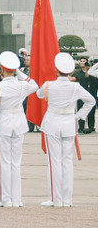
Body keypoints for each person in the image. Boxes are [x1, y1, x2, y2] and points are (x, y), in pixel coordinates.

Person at [36, 52, 95, 207]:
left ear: (56, 70)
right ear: (70, 71)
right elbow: (91, 101)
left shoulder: (49, 85)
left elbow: (39, 94)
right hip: (69, 123)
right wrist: (78, 116)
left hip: (52, 124)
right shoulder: (75, 87)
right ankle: (67, 199)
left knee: (54, 162)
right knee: (67, 162)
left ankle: (56, 199)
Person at [0, 50, 39, 208]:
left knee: (5, 162)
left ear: (2, 69)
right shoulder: (22, 85)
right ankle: (16, 200)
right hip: (18, 123)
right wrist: (19, 72)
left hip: (4, 124)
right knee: (16, 163)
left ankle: (6, 199)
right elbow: (35, 85)